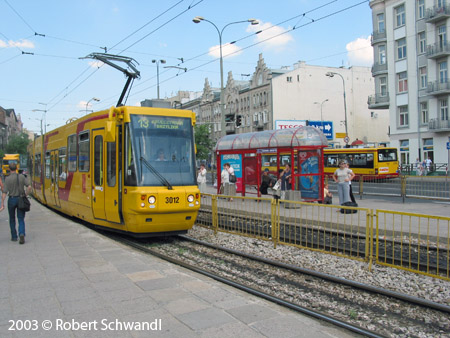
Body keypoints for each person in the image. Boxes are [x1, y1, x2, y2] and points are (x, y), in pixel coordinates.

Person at [0, 163, 31, 244]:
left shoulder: (7, 179)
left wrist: (2, 203)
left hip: (11, 199)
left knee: (12, 219)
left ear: (9, 169)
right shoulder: (21, 176)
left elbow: (4, 192)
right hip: (20, 199)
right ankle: (21, 233)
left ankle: (14, 236)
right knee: (21, 218)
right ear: (17, 168)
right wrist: (26, 194)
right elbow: (29, 187)